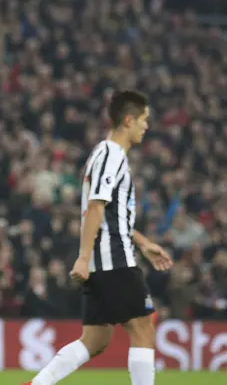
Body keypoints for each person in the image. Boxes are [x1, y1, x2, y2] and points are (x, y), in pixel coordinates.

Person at [25, 90, 174, 385]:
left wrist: (143, 243)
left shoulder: (108, 155)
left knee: (95, 339)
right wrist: (82, 258)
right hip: (112, 256)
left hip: (105, 255)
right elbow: (95, 206)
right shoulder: (110, 154)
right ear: (128, 120)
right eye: (144, 120)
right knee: (143, 328)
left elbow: (111, 214)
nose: (147, 126)